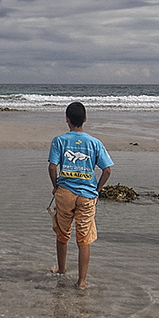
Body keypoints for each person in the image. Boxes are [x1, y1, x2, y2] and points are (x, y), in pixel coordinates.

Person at [48, 101, 114, 289]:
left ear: (67, 119)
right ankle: (81, 282)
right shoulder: (94, 143)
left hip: (65, 193)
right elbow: (107, 170)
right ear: (85, 119)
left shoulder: (59, 141)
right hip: (86, 195)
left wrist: (55, 186)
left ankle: (61, 269)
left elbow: (52, 167)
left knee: (62, 233)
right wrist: (97, 190)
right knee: (84, 238)